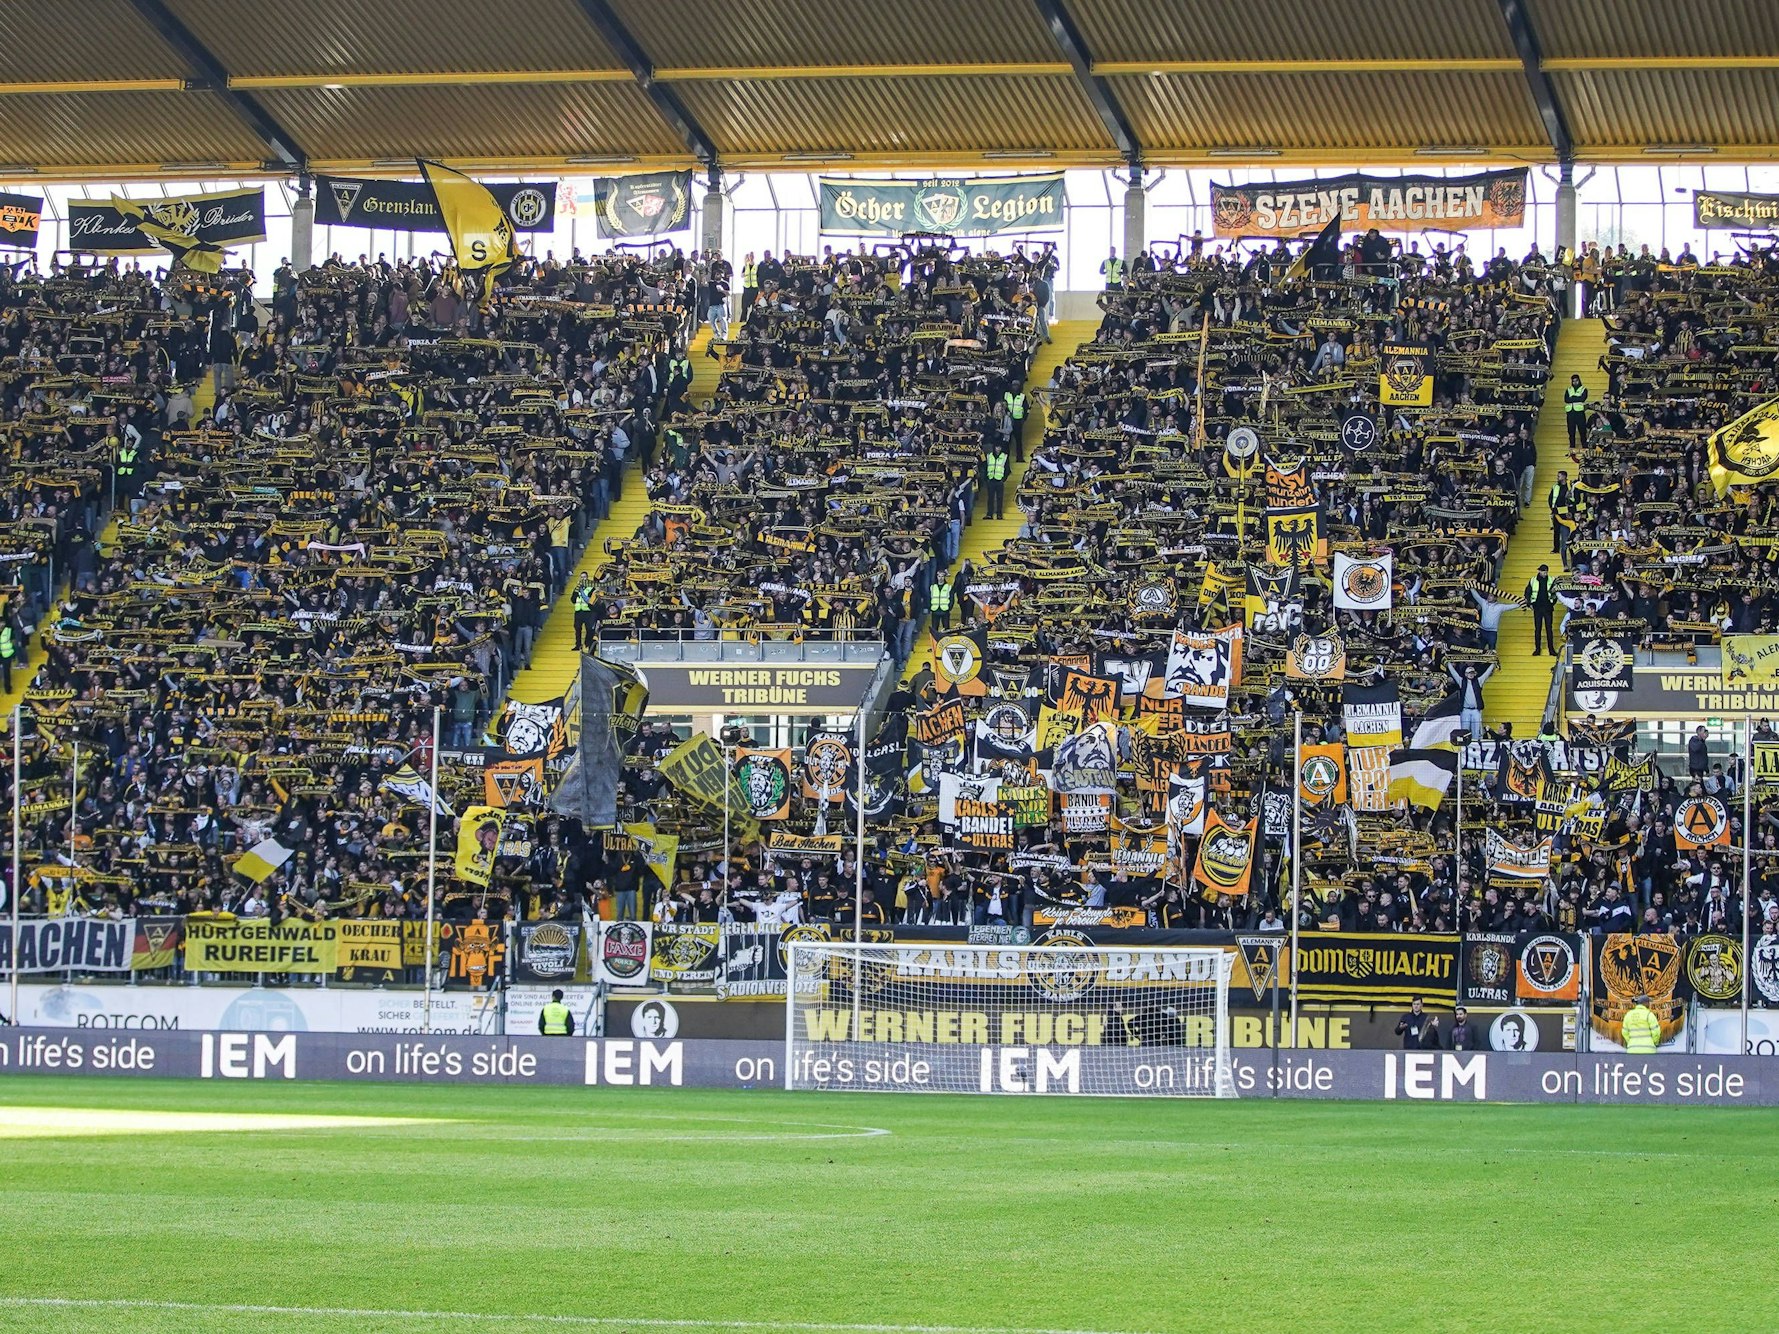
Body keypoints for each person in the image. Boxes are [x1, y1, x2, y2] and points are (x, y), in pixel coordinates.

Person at [1526, 563, 1558, 656]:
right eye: (1542, 571)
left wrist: (1552, 603)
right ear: (1539, 571)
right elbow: (1527, 592)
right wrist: (1529, 603)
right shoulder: (1533, 580)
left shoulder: (1552, 580)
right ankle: (1537, 649)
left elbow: (1556, 593)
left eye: (1545, 571)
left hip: (1547, 607)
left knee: (1549, 629)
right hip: (1537, 607)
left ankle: (1551, 650)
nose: (1544, 573)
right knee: (1538, 629)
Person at [1563, 373, 1589, 448]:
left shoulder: (1584, 389)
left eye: (1576, 381)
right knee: (1571, 431)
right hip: (1570, 413)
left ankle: (1584, 447)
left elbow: (1582, 398)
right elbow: (1566, 400)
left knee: (1582, 431)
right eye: (1573, 381)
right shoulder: (1568, 389)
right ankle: (1572, 447)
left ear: (1579, 380)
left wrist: (1572, 398)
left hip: (1579, 413)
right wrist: (1576, 398)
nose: (1575, 382)